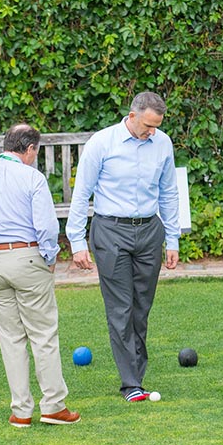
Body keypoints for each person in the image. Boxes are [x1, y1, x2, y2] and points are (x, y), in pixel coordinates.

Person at [0, 123, 79, 427]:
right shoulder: (33, 177)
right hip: (27, 257)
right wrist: (49, 257)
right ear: (31, 148)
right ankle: (53, 406)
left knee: (10, 338)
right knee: (43, 334)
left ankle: (21, 411)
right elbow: (47, 227)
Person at [66, 91, 180, 403]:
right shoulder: (102, 143)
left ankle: (136, 376)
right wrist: (77, 241)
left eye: (156, 126)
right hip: (110, 231)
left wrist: (173, 239)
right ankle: (131, 384)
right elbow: (82, 193)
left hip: (149, 231)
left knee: (141, 308)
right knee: (121, 308)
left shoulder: (163, 143)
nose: (151, 132)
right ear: (131, 116)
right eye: (147, 125)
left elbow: (169, 192)